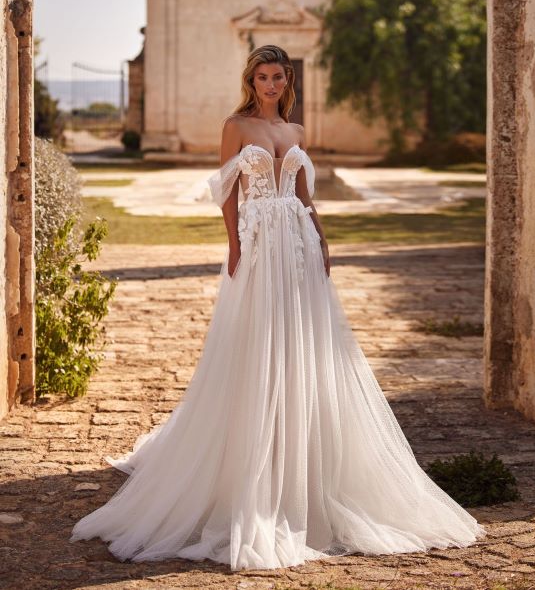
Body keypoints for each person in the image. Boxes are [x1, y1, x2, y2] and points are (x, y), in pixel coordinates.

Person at [70, 44, 487, 571]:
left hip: (299, 247)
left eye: (277, 77)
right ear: (252, 80)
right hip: (260, 242)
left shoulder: (296, 133)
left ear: (287, 81)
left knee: (303, 342)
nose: (270, 84)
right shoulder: (236, 126)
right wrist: (234, 244)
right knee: (257, 340)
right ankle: (252, 453)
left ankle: (302, 445)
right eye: (262, 77)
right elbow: (227, 191)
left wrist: (322, 237)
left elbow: (307, 195)